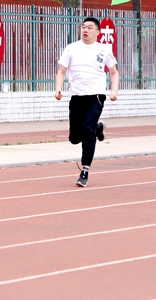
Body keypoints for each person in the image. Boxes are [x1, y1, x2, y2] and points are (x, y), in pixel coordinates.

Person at [55, 17, 119, 187]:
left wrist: (114, 91)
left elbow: (114, 72)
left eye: (90, 27)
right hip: (76, 96)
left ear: (97, 32)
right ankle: (98, 128)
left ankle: (85, 171)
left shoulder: (104, 50)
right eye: (83, 27)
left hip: (95, 96)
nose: (85, 30)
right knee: (75, 138)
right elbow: (61, 71)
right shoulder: (71, 48)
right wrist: (58, 89)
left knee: (87, 130)